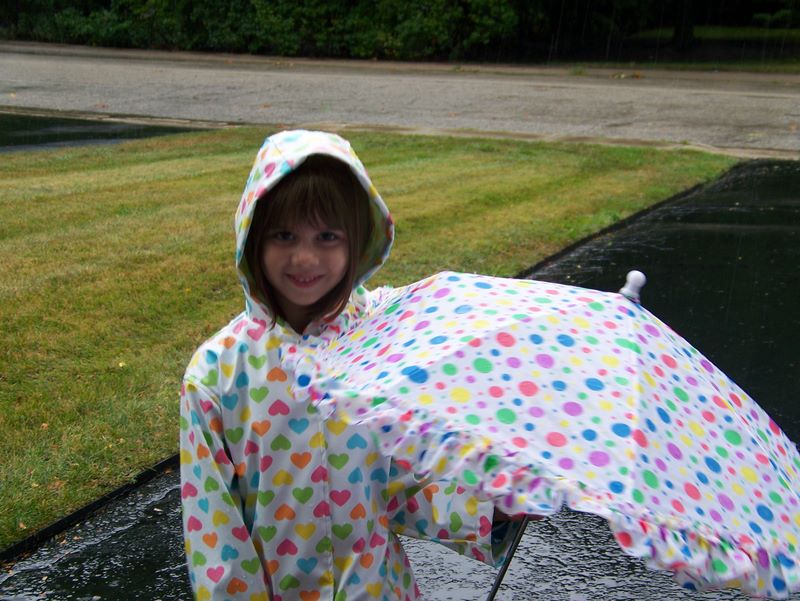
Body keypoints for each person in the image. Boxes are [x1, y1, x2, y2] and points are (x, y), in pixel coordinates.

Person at [180, 130, 520, 601]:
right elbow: (218, 541)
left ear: (356, 240)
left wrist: (492, 509)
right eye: (284, 235)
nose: (305, 257)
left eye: (327, 236)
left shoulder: (380, 348)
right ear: (253, 236)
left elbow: (402, 489)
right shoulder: (216, 377)